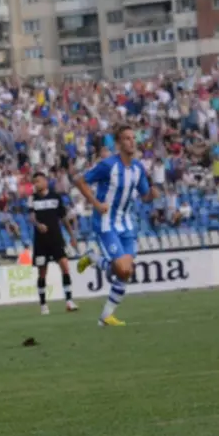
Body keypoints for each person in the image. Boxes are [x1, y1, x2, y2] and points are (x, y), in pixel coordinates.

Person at [75, 125, 155, 327]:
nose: (131, 141)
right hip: (106, 223)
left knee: (126, 272)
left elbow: (145, 196)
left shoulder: (138, 169)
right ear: (119, 144)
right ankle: (93, 257)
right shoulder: (108, 165)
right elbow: (81, 181)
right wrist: (96, 204)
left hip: (127, 225)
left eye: (133, 138)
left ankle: (105, 317)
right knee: (120, 268)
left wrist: (152, 195)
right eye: (127, 138)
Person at [28, 172, 79, 315]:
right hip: (41, 241)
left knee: (65, 266)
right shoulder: (32, 199)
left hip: (56, 238)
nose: (36, 184)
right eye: (34, 182)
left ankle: (69, 301)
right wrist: (38, 225)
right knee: (42, 272)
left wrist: (72, 236)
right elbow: (31, 217)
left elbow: (63, 218)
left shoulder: (56, 197)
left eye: (37, 181)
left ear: (45, 181)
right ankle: (43, 304)